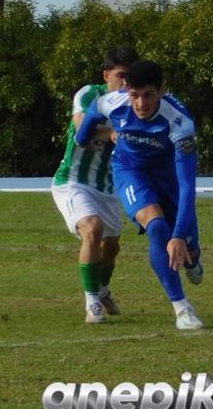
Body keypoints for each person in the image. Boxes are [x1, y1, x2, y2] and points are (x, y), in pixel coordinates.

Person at [75, 59, 205, 330]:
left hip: (169, 179)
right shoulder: (113, 102)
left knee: (187, 249)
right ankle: (182, 309)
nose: (141, 104)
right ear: (126, 90)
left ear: (161, 92)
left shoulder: (179, 121)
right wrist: (83, 137)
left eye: (148, 95)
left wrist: (180, 235)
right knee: (157, 228)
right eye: (135, 95)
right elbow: (92, 115)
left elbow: (187, 185)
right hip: (130, 172)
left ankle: (193, 256)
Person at [52, 46, 140, 324]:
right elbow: (82, 129)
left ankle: (102, 290)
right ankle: (92, 304)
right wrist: (113, 133)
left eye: (130, 77)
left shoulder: (136, 103)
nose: (125, 83)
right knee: (92, 228)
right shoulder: (90, 94)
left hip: (107, 186)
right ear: (106, 75)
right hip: (73, 182)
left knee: (111, 248)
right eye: (121, 76)